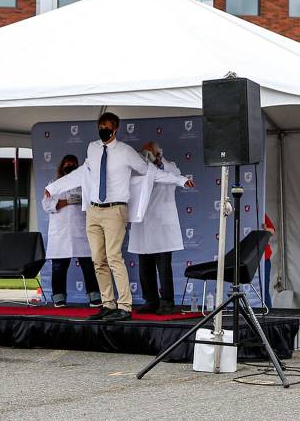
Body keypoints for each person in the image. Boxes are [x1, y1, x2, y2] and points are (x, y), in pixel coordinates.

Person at [45, 112, 193, 322]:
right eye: (100, 127)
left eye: (106, 127)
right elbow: (81, 173)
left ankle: (124, 305)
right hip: (93, 210)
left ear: (115, 129)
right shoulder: (92, 149)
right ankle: (108, 304)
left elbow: (150, 172)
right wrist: (53, 187)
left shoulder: (125, 151)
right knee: (98, 259)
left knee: (114, 257)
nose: (103, 131)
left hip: (115, 210)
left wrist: (180, 180)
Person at [128, 142, 190, 315]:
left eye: (152, 153)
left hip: (162, 224)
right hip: (143, 224)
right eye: (145, 153)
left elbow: (172, 176)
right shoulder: (139, 168)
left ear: (159, 153)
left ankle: (168, 302)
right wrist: (147, 163)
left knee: (163, 267)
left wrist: (159, 163)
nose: (148, 156)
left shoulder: (171, 167)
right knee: (144, 268)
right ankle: (151, 301)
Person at [41, 154, 101, 308]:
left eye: (74, 165)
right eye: (67, 165)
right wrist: (68, 201)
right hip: (61, 233)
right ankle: (58, 297)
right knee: (59, 266)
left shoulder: (84, 184)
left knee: (88, 265)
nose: (70, 167)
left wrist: (64, 202)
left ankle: (94, 296)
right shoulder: (54, 184)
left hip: (80, 230)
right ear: (62, 167)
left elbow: (92, 202)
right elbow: (47, 205)